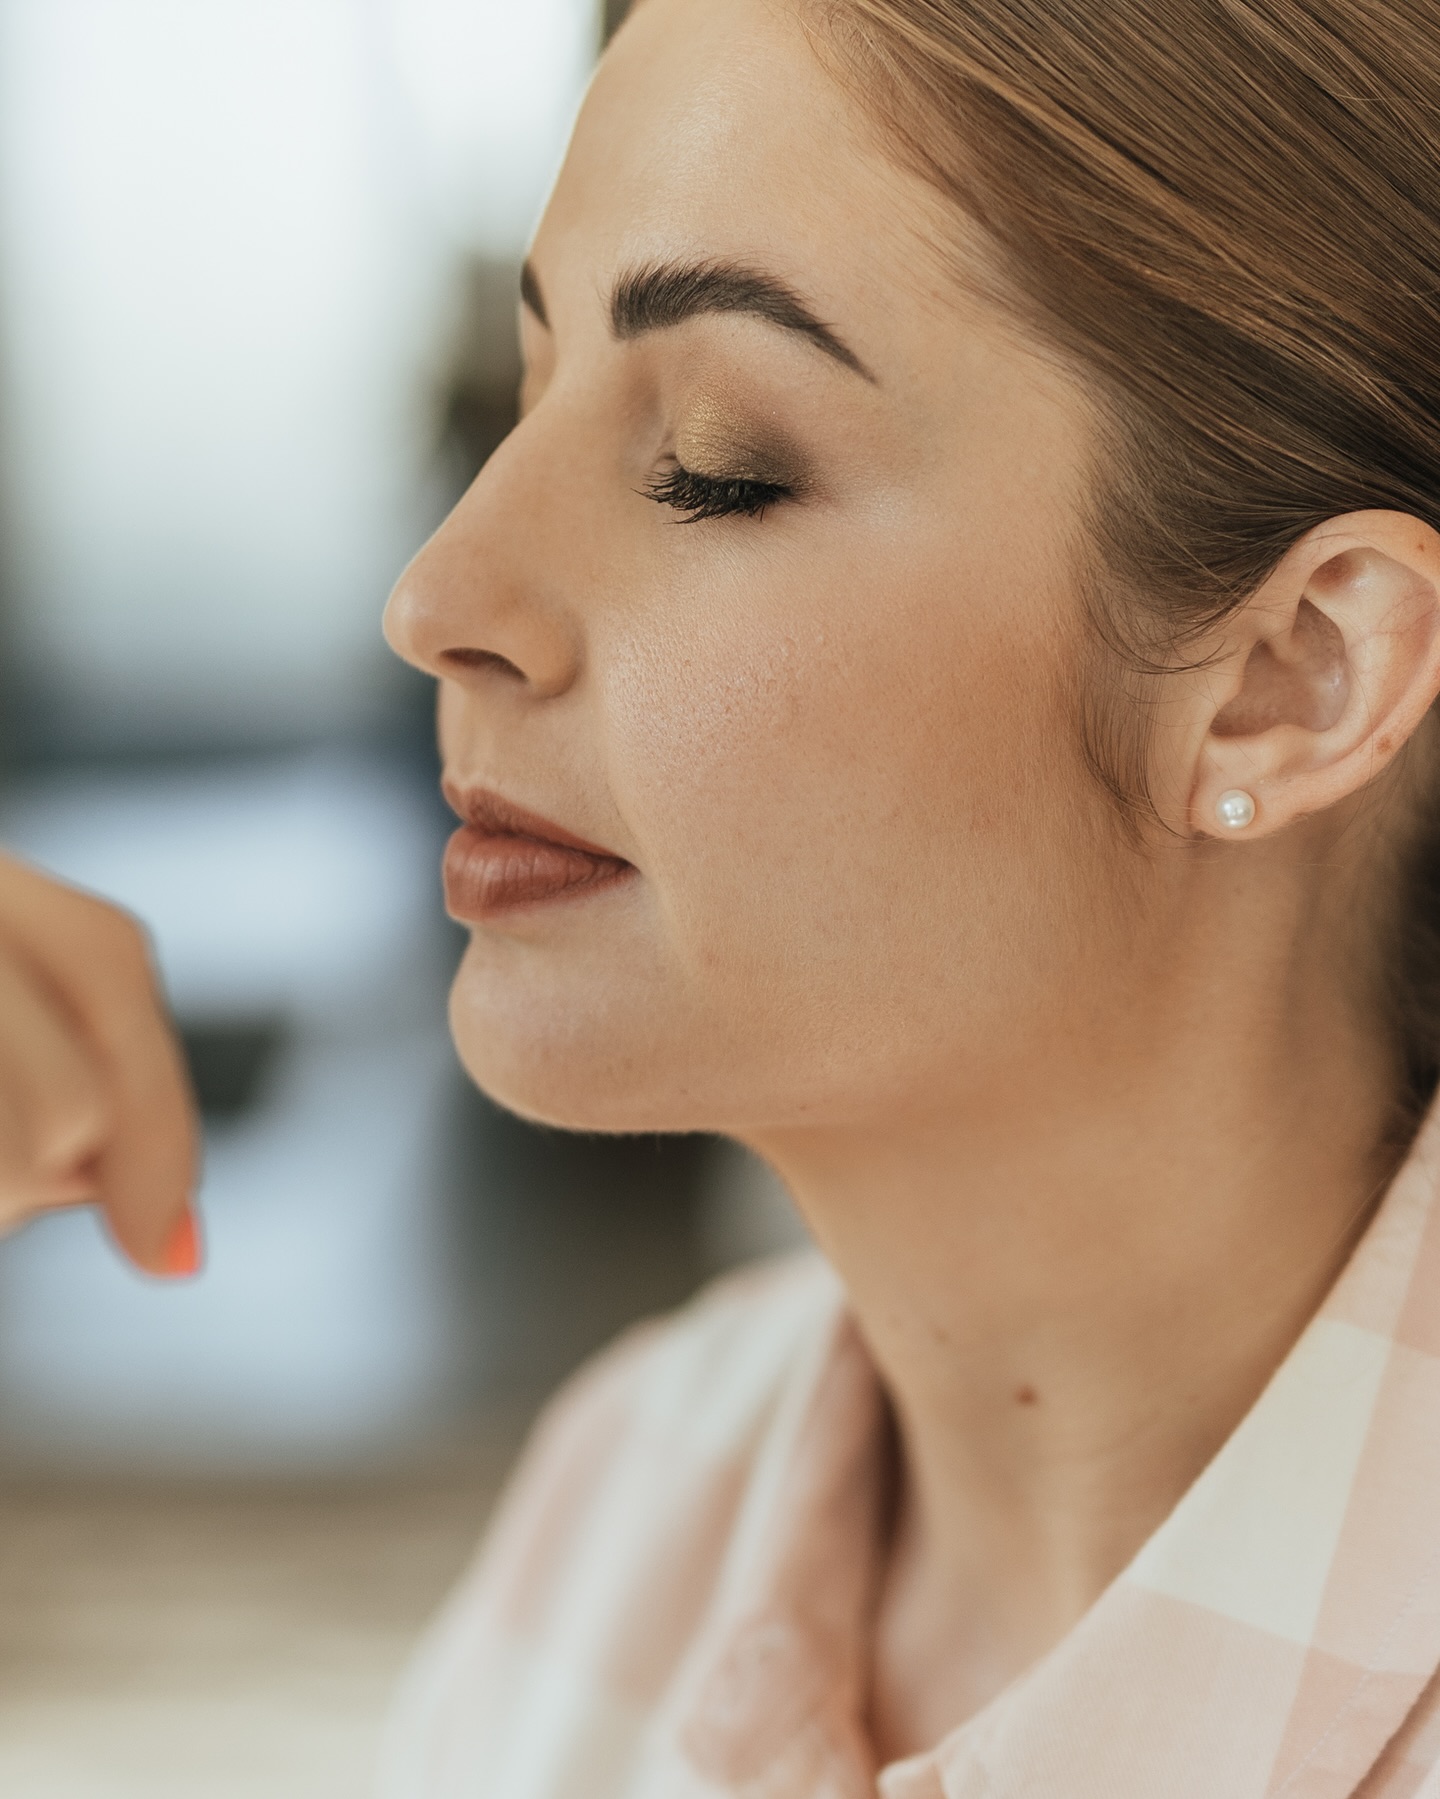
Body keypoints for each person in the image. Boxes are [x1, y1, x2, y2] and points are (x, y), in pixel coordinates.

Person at [6, 0, 1440, 1791]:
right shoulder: (633, 1503)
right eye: (529, 395)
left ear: (1293, 675)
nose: (440, 592)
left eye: (712, 466)